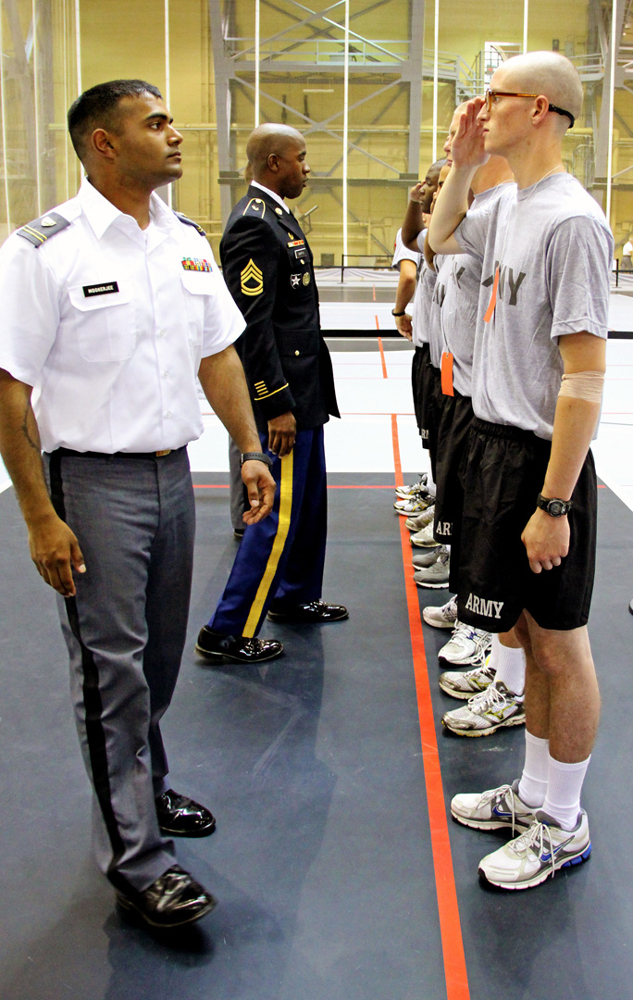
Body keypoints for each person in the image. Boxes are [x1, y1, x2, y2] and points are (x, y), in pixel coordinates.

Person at [0, 79, 276, 927]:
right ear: (104, 145)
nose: (176, 132)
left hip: (172, 475)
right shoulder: (43, 251)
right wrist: (41, 515)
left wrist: (249, 447)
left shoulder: (184, 243)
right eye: (156, 123)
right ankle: (134, 857)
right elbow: (12, 395)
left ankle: (144, 790)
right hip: (92, 484)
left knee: (155, 663)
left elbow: (219, 356)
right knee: (109, 670)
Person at [429, 52, 612, 889]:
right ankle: (534, 790)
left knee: (562, 645)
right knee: (528, 637)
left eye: (492, 97)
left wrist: (555, 501)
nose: (478, 107)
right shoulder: (506, 203)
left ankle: (564, 821)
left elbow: (582, 376)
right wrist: (464, 165)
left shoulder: (571, 221)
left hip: (541, 463)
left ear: (537, 109)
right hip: (493, 446)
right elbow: (435, 238)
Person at [196, 124, 347, 666]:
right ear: (276, 162)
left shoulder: (279, 215)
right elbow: (251, 328)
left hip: (306, 392)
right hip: (282, 399)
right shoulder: (254, 226)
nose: (308, 168)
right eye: (302, 159)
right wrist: (274, 402)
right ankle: (227, 630)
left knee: (307, 505)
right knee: (275, 514)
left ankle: (295, 594)